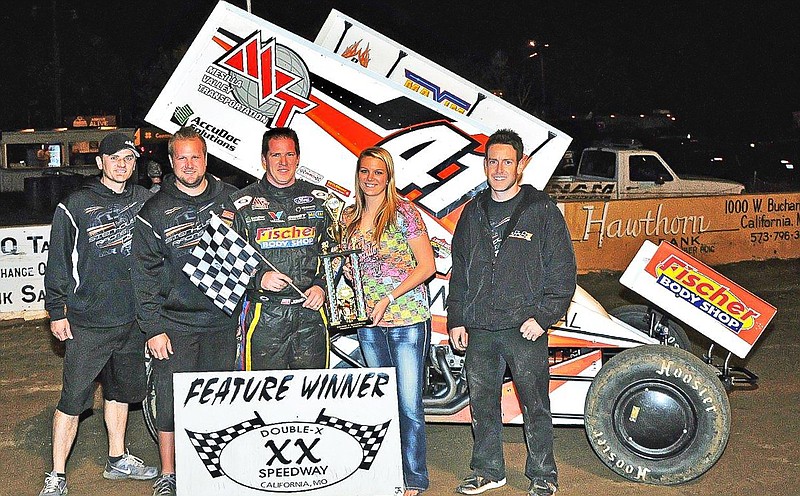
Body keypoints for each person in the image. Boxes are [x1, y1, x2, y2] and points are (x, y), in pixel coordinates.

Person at [447, 129, 576, 496]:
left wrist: (545, 315)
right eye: (492, 161)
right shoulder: (472, 213)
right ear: (485, 165)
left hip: (525, 328)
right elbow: (460, 270)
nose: (499, 168)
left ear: (522, 164)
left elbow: (563, 268)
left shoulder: (541, 209)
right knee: (482, 404)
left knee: (536, 404)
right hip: (481, 327)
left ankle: (543, 474)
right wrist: (457, 317)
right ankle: (488, 470)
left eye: (507, 161)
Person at [41, 132, 157, 496]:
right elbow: (57, 262)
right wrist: (56, 310)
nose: (122, 164)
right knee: (73, 400)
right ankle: (57, 474)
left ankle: (117, 457)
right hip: (88, 321)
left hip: (133, 320)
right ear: (99, 163)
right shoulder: (74, 205)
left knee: (120, 393)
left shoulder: (147, 201)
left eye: (129, 158)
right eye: (115, 158)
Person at [131, 127, 239, 496]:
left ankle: (219, 468)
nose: (189, 164)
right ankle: (168, 473)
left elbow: (253, 257)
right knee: (171, 397)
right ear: (171, 162)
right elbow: (142, 276)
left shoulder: (232, 199)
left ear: (206, 159)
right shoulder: (154, 210)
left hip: (222, 321)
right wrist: (152, 328)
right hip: (174, 323)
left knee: (221, 399)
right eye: (182, 158)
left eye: (196, 157)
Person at [341, 147, 436, 496]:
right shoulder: (348, 216)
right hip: (368, 324)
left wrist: (389, 297)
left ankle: (414, 477)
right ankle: (386, 472)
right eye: (365, 171)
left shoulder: (404, 212)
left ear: (389, 176)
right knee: (379, 402)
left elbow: (428, 266)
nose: (371, 178)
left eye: (378, 172)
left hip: (407, 321)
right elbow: (347, 267)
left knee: (408, 403)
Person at [229, 127, 331, 370]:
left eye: (290, 155)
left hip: (310, 313)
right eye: (276, 155)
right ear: (264, 160)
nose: (283, 162)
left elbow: (335, 252)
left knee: (313, 394)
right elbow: (226, 261)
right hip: (264, 315)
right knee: (261, 396)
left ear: (298, 158)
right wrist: (258, 277)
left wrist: (322, 286)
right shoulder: (241, 204)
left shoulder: (320, 200)